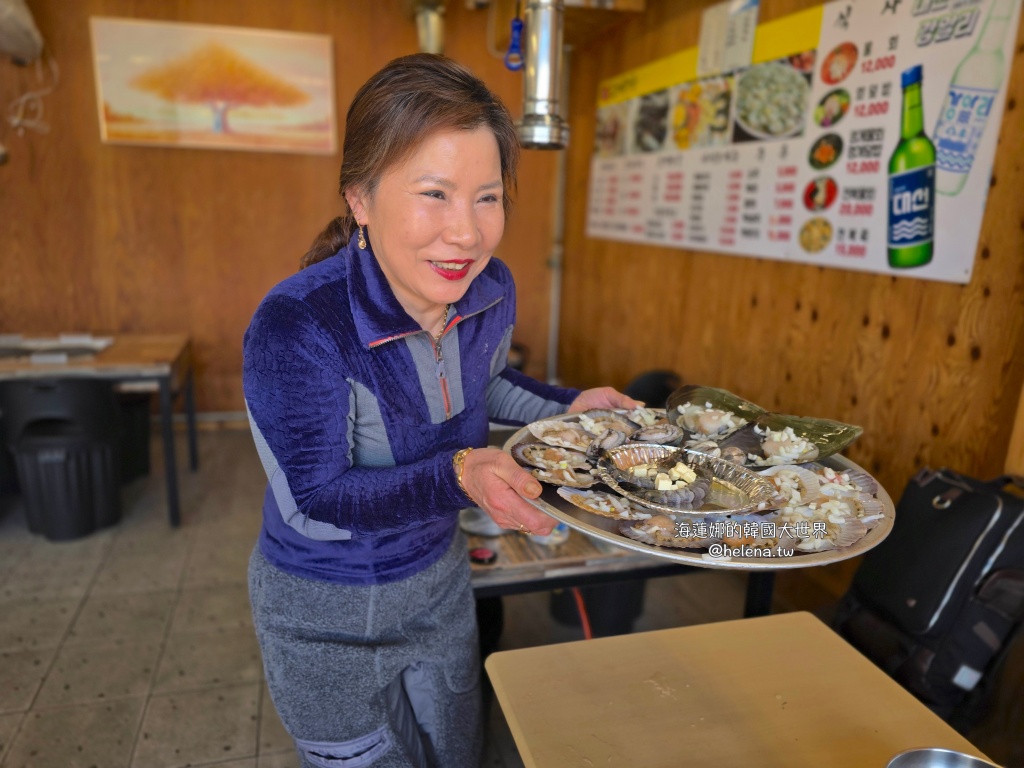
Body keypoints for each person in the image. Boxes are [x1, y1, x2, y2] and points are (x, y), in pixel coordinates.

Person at [243, 53, 639, 768]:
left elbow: (477, 387)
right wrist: (458, 474)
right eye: (435, 193)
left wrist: (570, 405)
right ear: (360, 199)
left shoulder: (489, 291)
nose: (467, 233)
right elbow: (318, 495)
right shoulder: (299, 324)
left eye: (487, 197)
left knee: (459, 753)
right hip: (324, 609)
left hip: (440, 583)